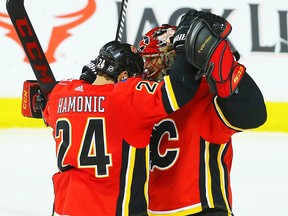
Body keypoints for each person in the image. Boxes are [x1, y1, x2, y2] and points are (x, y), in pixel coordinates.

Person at [42, 40, 201, 215]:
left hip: (65, 208)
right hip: (111, 209)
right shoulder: (126, 97)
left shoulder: (61, 93)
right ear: (124, 75)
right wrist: (186, 49)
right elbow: (179, 89)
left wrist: (85, 84)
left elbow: (48, 114)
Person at [138, 10, 267, 216]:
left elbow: (253, 114)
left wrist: (225, 66)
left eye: (154, 60)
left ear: (172, 59)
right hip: (152, 210)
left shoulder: (204, 91)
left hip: (202, 207)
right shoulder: (142, 98)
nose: (146, 68)